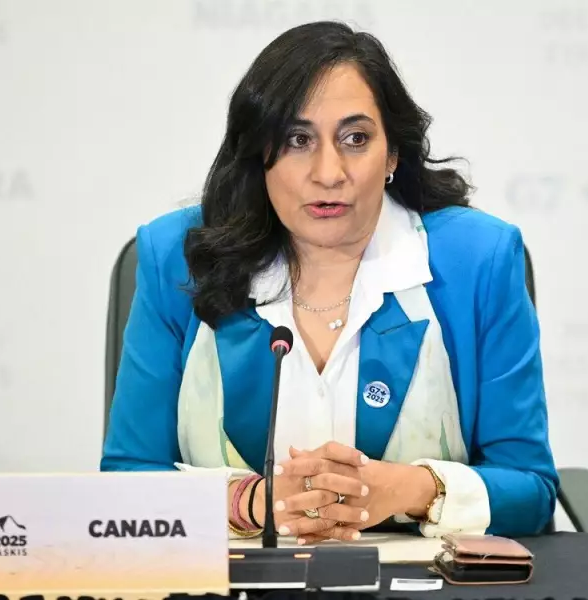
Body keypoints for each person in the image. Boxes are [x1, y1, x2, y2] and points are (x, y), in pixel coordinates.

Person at [101, 20, 558, 545]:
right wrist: (251, 502)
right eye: (298, 140)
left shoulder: (478, 260)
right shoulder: (178, 257)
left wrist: (412, 490)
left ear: (392, 154)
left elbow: (529, 488)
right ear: (259, 152)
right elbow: (126, 481)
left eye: (355, 139)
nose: (328, 172)